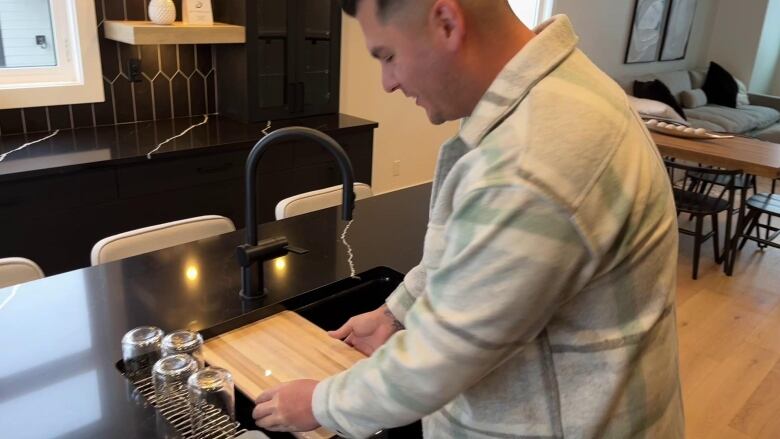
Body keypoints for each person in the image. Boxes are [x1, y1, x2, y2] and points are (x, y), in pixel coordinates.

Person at [252, 0, 684, 437]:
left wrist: (320, 403)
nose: (387, 83)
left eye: (388, 56)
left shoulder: (532, 158)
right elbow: (468, 261)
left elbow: (439, 360)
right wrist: (393, 314)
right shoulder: (559, 91)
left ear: (446, 22)